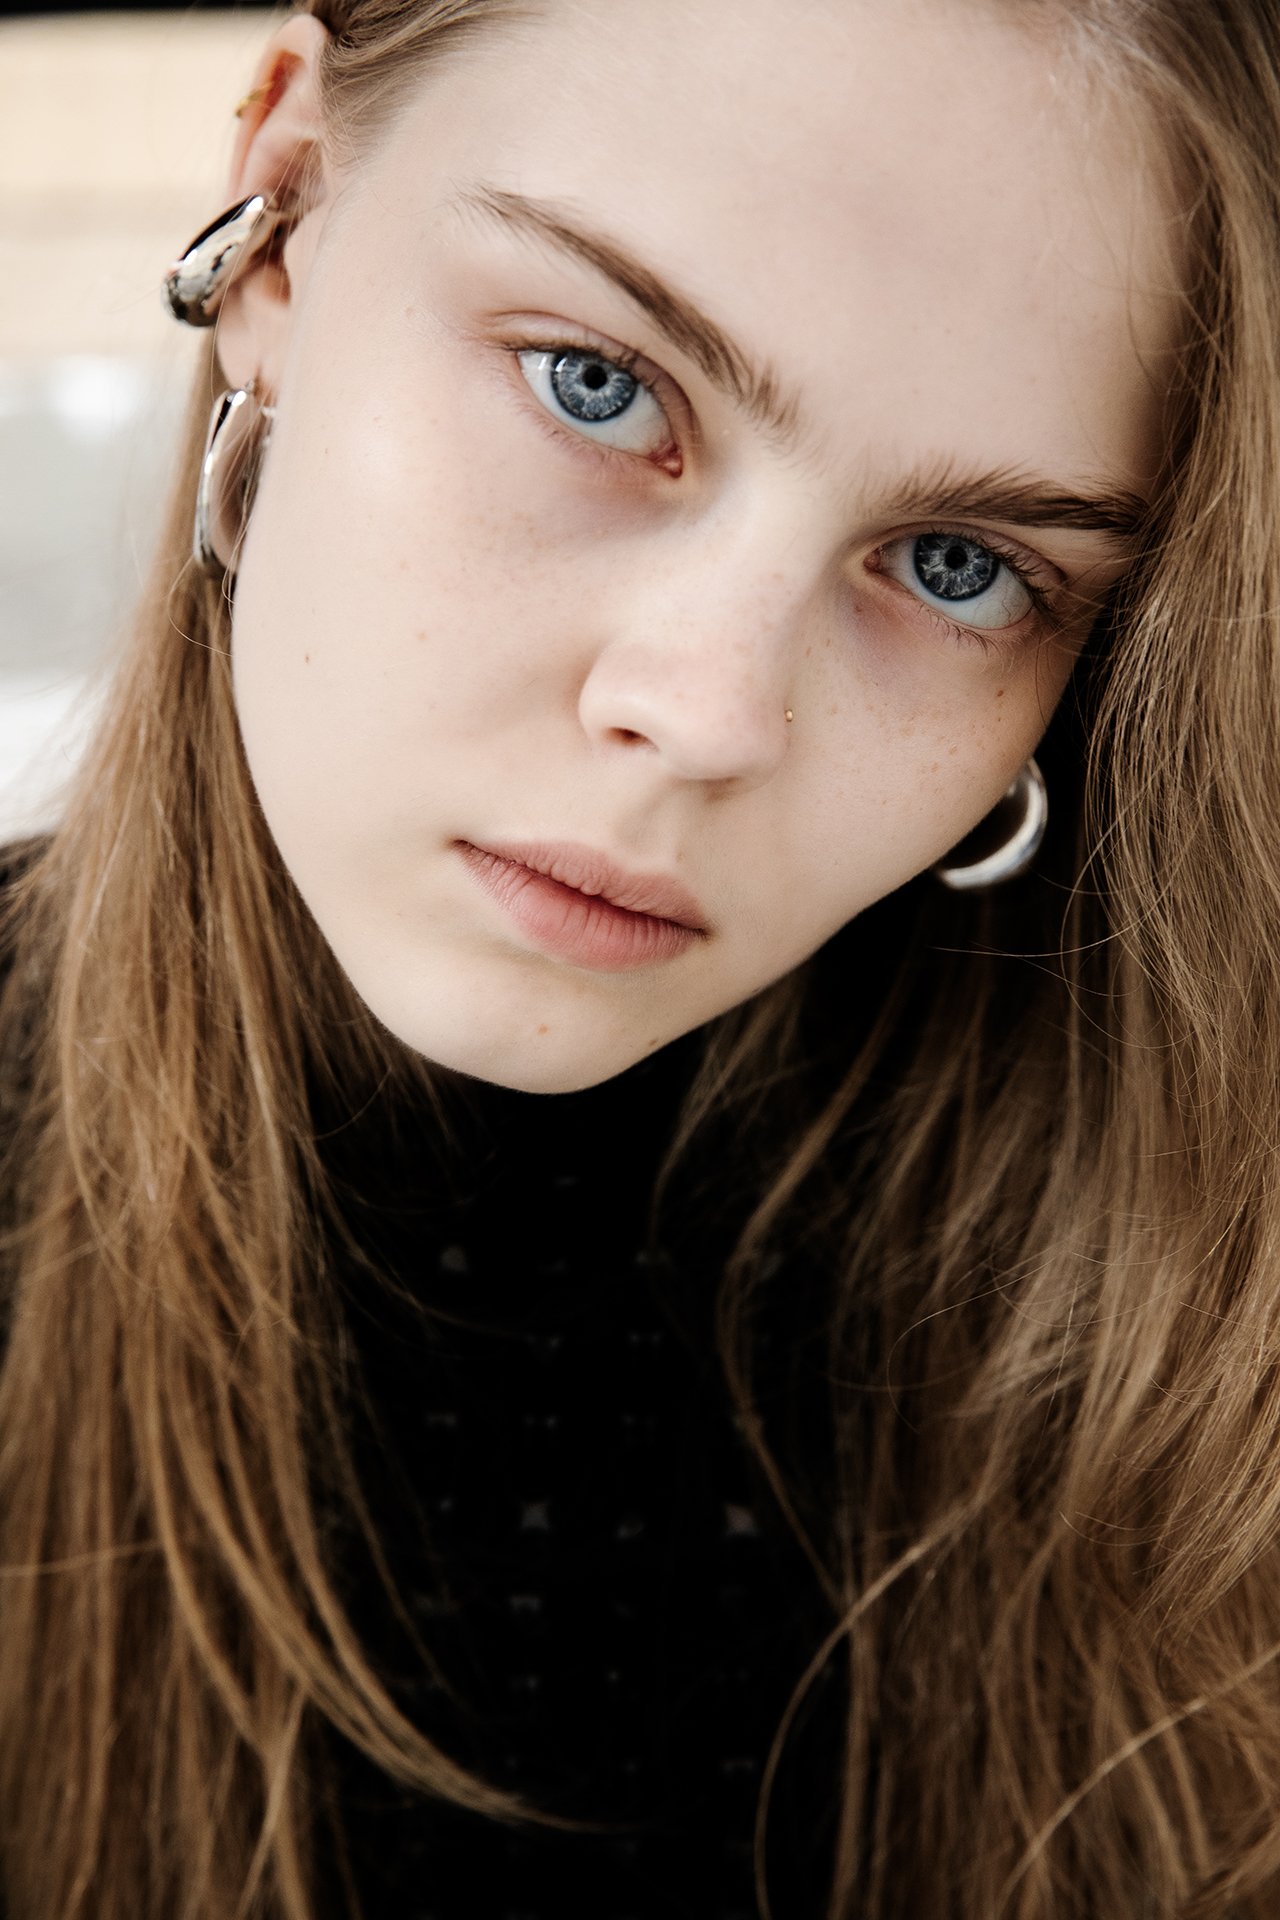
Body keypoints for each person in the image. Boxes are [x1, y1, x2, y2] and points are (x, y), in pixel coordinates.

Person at [1, 0, 1277, 1913]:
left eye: (960, 568)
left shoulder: (1204, 1363)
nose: (708, 712)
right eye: (597, 383)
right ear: (282, 209)